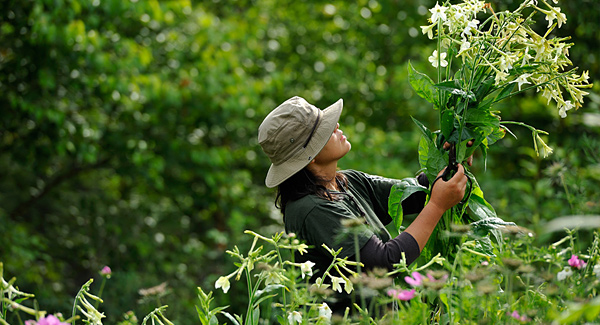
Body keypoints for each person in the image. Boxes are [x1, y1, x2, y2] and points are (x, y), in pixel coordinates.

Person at [257, 96, 468, 309]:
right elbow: (384, 262)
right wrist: (437, 206)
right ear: (310, 156)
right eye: (324, 130)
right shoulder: (311, 209)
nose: (336, 125)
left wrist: (450, 155)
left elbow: (413, 194)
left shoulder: (346, 182)